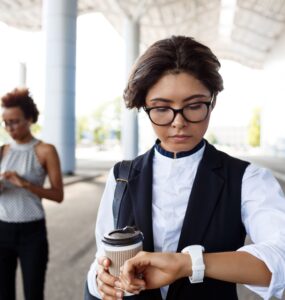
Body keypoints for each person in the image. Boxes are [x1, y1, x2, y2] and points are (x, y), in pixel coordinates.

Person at [86, 36, 285, 300]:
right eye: (161, 108)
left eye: (193, 106)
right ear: (144, 106)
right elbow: (103, 253)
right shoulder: (122, 176)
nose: (178, 122)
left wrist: (188, 264)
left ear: (212, 102)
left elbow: (281, 258)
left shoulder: (248, 179)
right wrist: (100, 281)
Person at [0, 88, 64, 300]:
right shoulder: (2, 150)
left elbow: (58, 195)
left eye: (15, 121)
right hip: (2, 230)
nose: (10, 128)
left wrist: (25, 184)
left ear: (29, 119)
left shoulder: (46, 150)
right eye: (5, 122)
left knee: (34, 293)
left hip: (32, 233)